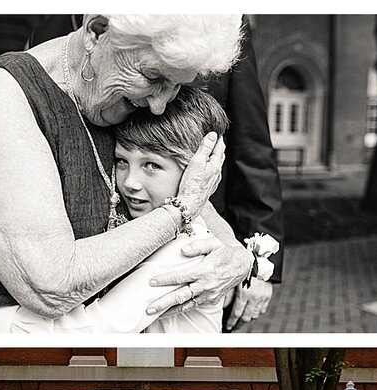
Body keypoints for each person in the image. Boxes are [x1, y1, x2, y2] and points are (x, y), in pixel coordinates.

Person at [0, 15, 250, 332]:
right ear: (98, 32)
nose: (161, 104)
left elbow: (187, 192)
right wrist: (177, 213)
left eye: (176, 86)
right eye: (153, 78)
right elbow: (52, 284)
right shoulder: (3, 94)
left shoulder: (123, 92)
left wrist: (237, 255)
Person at [27, 14, 284, 329]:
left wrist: (252, 262)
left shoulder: (219, 24)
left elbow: (252, 148)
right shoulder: (49, 30)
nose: (159, 104)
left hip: (192, 223)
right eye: (152, 77)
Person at [0, 87, 242, 333]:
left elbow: (91, 331)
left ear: (199, 169)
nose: (130, 182)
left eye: (151, 165)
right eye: (122, 161)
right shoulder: (143, 223)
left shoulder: (187, 251)